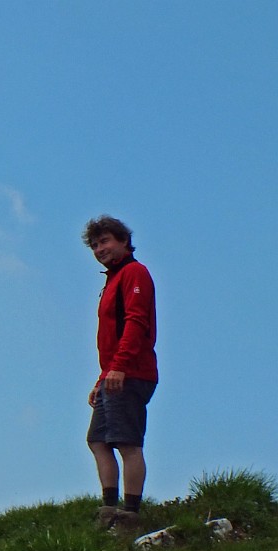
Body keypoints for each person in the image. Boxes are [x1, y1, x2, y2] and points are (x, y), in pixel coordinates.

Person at [82, 215, 157, 529]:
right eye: (96, 244)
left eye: (106, 241)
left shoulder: (134, 273)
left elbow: (136, 323)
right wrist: (102, 378)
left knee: (127, 442)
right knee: (98, 440)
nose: (100, 249)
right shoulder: (112, 280)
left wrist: (120, 368)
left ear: (124, 241)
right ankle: (109, 507)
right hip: (113, 373)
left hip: (131, 372)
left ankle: (131, 512)